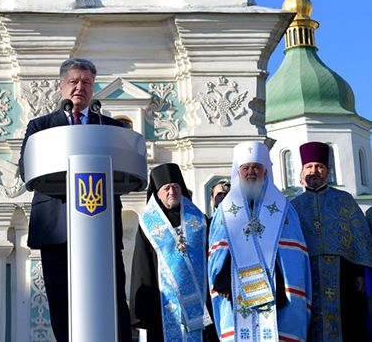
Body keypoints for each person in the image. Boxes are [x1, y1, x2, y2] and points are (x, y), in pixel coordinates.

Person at [18, 58, 131, 341]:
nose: (80, 87)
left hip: (101, 225)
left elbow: (126, 167)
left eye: (87, 82)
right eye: (74, 81)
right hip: (56, 229)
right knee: (62, 304)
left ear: (93, 88)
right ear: (61, 87)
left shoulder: (110, 127)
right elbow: (26, 169)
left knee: (112, 301)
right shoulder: (41, 127)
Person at [208, 141, 311, 342]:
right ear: (238, 172)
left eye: (256, 167)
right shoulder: (226, 210)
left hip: (276, 292)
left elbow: (294, 255)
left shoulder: (283, 207)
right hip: (235, 290)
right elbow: (218, 252)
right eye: (245, 168)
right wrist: (224, 282)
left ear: (265, 171)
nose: (251, 172)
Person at [291, 141, 372, 341]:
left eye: (319, 166)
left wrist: (359, 274)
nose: (314, 171)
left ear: (328, 171)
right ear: (302, 172)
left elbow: (359, 240)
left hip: (344, 274)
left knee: (348, 324)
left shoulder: (345, 200)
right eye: (309, 167)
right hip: (306, 272)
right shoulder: (293, 206)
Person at [130, 163, 217, 341]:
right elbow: (142, 266)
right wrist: (142, 310)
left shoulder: (199, 220)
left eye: (175, 187)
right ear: (158, 193)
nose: (172, 192)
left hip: (202, 303)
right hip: (163, 306)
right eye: (166, 188)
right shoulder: (148, 225)